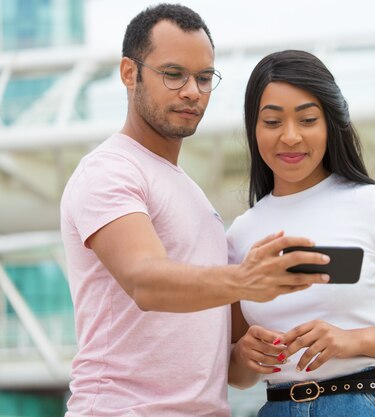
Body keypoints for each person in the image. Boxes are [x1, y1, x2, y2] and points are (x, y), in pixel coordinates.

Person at [60, 7, 330, 417]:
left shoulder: (190, 192)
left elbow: (226, 370)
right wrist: (244, 279)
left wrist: (246, 352)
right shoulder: (109, 170)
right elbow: (145, 282)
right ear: (129, 73)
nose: (192, 91)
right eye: (174, 74)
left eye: (204, 78)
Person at [227, 50, 375, 417]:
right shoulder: (240, 233)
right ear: (253, 128)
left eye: (307, 120)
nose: (290, 137)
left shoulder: (374, 206)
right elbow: (236, 375)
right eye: (272, 122)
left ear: (331, 123)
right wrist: (242, 355)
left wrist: (350, 340)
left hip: (366, 402)